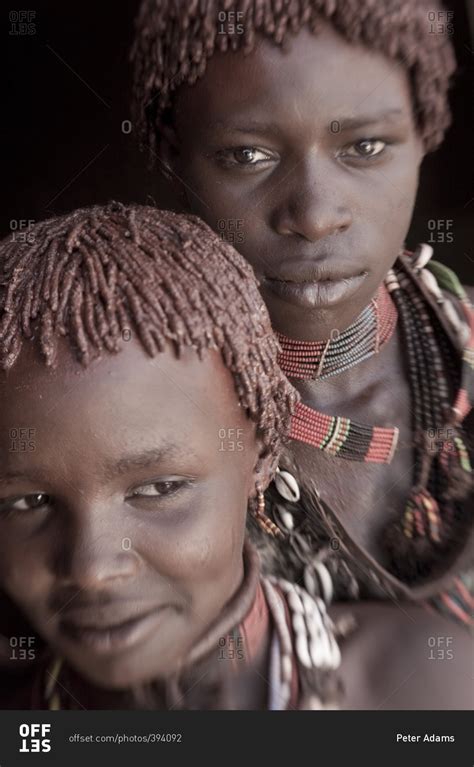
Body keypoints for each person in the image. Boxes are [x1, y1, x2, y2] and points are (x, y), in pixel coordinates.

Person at [0, 203, 470, 710]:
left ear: (263, 454)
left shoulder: (424, 688)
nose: (91, 568)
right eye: (28, 502)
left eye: (159, 488)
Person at [130, 0, 474, 626]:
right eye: (246, 156)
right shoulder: (119, 409)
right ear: (172, 154)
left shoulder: (462, 354)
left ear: (426, 133)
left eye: (366, 146)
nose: (315, 217)